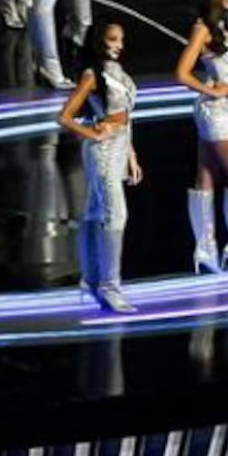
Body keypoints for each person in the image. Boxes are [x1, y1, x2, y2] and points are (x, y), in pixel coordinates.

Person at [60, 18, 142, 313]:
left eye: (120, 39)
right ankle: (110, 286)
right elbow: (65, 116)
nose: (118, 45)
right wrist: (93, 132)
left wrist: (131, 154)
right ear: (100, 41)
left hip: (120, 147)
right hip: (103, 151)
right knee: (115, 214)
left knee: (96, 211)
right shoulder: (92, 76)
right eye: (112, 39)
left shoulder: (118, 71)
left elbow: (126, 116)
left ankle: (92, 278)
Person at [176, 0, 228, 275]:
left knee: (205, 175)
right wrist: (212, 90)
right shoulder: (202, 30)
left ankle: (206, 249)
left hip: (223, 109)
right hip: (215, 111)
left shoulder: (221, 26)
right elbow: (182, 73)